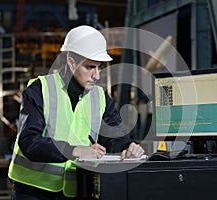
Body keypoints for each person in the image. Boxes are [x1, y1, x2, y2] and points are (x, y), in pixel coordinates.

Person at [8, 25, 145, 200]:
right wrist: (75, 150)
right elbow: (29, 142)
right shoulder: (40, 89)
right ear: (71, 63)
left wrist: (128, 147)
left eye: (99, 67)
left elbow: (114, 136)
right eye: (90, 67)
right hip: (32, 192)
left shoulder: (100, 96)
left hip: (75, 190)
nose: (97, 75)